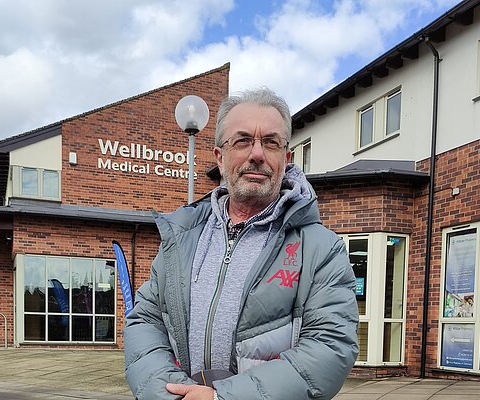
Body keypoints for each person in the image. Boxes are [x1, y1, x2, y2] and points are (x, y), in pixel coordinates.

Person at [124, 88, 359, 399]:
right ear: (220, 157)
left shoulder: (320, 248)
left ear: (286, 159)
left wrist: (224, 397)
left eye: (271, 142)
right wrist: (170, 393)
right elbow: (145, 321)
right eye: (243, 140)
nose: (257, 154)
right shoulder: (181, 239)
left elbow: (330, 346)